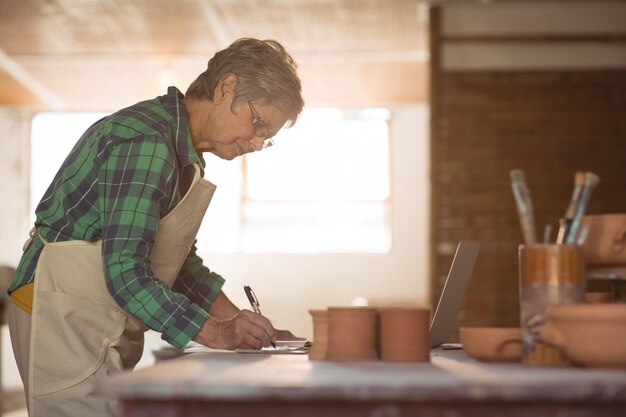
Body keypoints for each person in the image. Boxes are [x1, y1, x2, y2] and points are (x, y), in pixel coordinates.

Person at [6, 38, 305, 417]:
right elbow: (127, 273)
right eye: (258, 123)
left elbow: (179, 265)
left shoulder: (184, 154)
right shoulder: (147, 141)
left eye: (268, 136)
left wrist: (242, 327)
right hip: (59, 308)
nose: (259, 143)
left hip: (92, 314)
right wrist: (215, 332)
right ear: (225, 87)